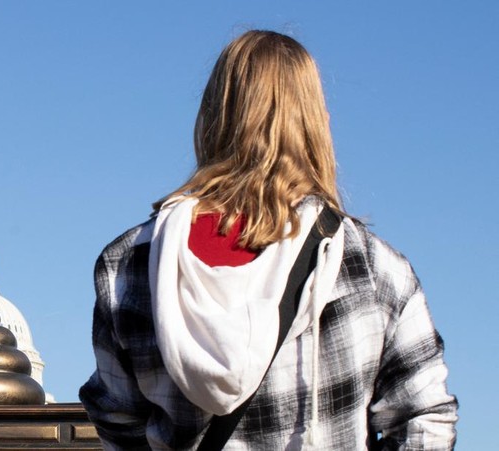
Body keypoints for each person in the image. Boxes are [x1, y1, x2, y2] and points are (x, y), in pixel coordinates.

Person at [79, 31, 457, 450]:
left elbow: (116, 416)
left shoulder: (127, 266)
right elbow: (426, 418)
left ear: (212, 117)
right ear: (317, 123)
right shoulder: (372, 268)